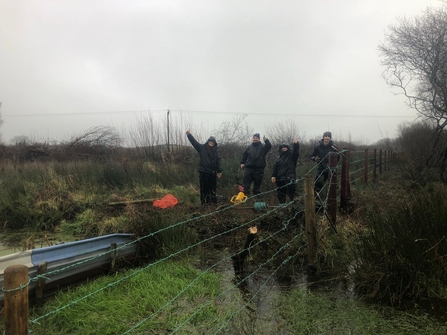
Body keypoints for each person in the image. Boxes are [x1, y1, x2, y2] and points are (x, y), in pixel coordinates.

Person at [186, 129, 222, 204]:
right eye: (210, 141)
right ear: (208, 142)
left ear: (214, 144)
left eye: (213, 142)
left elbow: (218, 162)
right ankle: (204, 204)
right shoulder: (202, 148)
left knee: (212, 189)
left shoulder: (216, 152)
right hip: (204, 172)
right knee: (204, 189)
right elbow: (194, 143)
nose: (211, 143)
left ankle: (211, 203)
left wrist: (219, 171)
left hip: (212, 173)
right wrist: (189, 135)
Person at [271, 139, 300, 204]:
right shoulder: (278, 157)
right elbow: (275, 167)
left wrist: (296, 144)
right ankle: (282, 207)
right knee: (281, 195)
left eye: (285, 147)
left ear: (288, 148)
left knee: (292, 194)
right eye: (282, 147)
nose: (284, 148)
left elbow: (296, 152)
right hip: (280, 179)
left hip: (290, 178)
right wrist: (273, 176)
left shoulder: (292, 157)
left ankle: (294, 207)